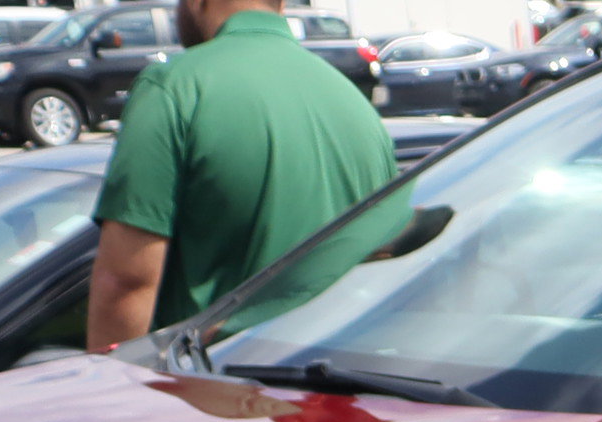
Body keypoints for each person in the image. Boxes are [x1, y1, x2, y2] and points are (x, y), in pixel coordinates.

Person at [85, 0, 394, 351]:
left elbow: (127, 281)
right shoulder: (353, 103)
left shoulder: (175, 87)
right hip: (330, 385)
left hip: (212, 391)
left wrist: (107, 394)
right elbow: (383, 261)